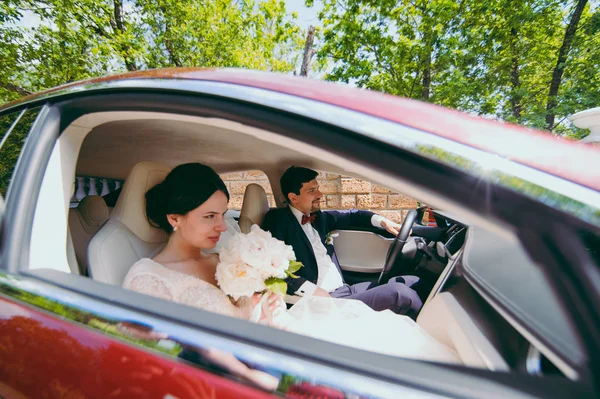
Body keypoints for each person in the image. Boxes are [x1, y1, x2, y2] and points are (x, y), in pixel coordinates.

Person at [122, 163, 460, 365]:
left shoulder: (225, 259)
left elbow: (263, 311)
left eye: (223, 215)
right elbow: (158, 359)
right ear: (175, 219)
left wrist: (268, 309)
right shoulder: (148, 278)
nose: (222, 226)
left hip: (283, 338)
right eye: (210, 216)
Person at [261, 166, 422, 316]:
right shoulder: (278, 220)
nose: (320, 195)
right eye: (312, 191)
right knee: (400, 293)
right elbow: (271, 268)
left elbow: (353, 215)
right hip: (323, 301)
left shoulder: (319, 218)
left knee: (413, 281)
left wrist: (383, 222)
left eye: (318, 188)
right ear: (293, 197)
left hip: (345, 289)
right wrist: (313, 291)